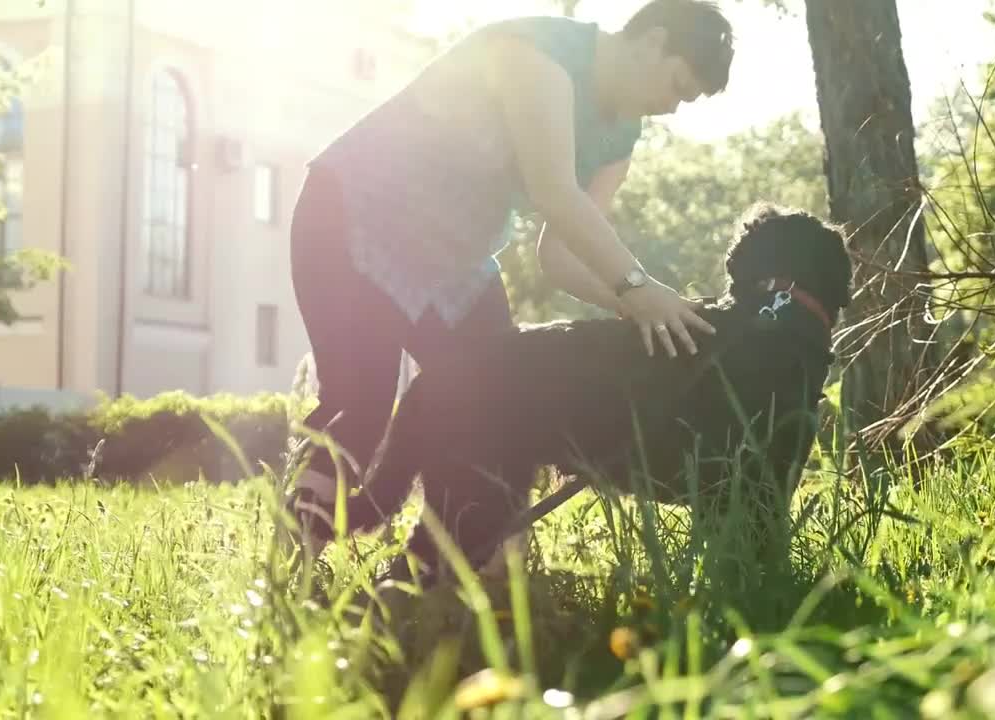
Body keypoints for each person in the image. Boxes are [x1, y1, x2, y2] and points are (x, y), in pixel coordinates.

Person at [287, 0, 736, 560]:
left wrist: (636, 305)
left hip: (452, 263)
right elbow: (554, 192)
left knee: (499, 396)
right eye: (676, 85)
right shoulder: (539, 56)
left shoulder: (621, 137)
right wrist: (638, 286)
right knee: (362, 400)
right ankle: (292, 567)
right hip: (354, 218)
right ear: (652, 41)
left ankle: (470, 565)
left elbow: (560, 254)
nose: (672, 107)